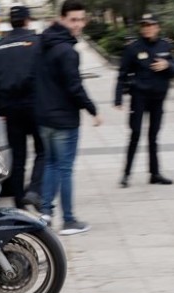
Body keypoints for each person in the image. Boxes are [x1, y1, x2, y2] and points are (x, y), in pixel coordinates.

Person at [35, 0, 102, 236]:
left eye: (81, 19)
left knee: (51, 164)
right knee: (65, 169)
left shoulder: (43, 43)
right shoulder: (67, 51)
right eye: (74, 19)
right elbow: (75, 87)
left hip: (44, 118)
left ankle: (45, 214)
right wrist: (93, 109)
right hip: (63, 120)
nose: (78, 24)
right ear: (62, 19)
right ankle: (70, 220)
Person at [0, 5, 44, 211]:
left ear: (11, 22)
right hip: (35, 107)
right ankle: (34, 189)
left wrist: (1, 109)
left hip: (11, 110)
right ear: (28, 21)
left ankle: (19, 205)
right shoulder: (37, 43)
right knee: (43, 152)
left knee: (18, 158)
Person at [115, 13, 174, 188]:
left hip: (158, 99)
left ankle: (155, 174)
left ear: (157, 27)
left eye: (151, 25)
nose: (147, 28)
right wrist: (118, 98)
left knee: (153, 136)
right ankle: (126, 175)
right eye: (144, 25)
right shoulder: (133, 48)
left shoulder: (166, 45)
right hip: (139, 98)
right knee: (135, 134)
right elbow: (122, 74)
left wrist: (167, 65)